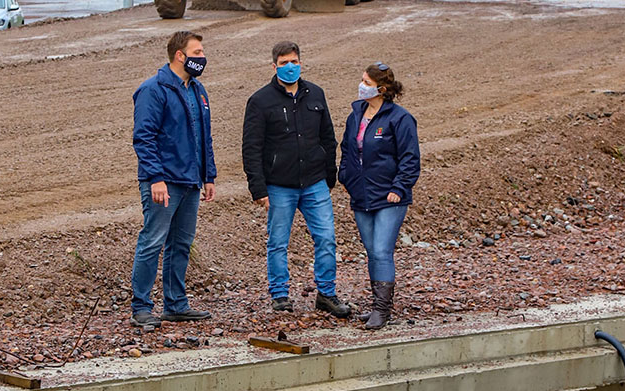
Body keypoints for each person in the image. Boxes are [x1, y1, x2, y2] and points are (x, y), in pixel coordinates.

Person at [242, 41, 351, 318]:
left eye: (294, 62)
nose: (289, 67)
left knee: (326, 238)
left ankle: (326, 293)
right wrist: (258, 187)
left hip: (315, 183)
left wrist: (329, 174)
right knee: (278, 242)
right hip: (279, 185)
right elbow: (252, 147)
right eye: (283, 63)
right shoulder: (260, 101)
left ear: (300, 63)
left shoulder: (315, 94)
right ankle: (280, 295)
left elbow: (328, 136)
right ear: (274, 66)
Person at [129, 31, 217, 327]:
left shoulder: (197, 90)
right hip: (164, 181)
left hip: (191, 181)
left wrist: (208, 175)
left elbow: (204, 137)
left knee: (181, 243)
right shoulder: (153, 90)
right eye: (198, 52)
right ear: (180, 55)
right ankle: (141, 307)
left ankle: (175, 304)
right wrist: (155, 177)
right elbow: (144, 138)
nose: (203, 57)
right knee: (152, 241)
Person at [338, 62, 420, 330]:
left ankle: (382, 309)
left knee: (383, 251)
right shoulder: (356, 115)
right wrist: (346, 177)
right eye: (362, 80)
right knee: (372, 251)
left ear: (381, 89)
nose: (361, 86)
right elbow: (347, 149)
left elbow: (410, 158)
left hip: (389, 197)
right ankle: (377, 304)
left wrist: (399, 188)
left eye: (367, 83)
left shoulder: (400, 119)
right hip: (362, 195)